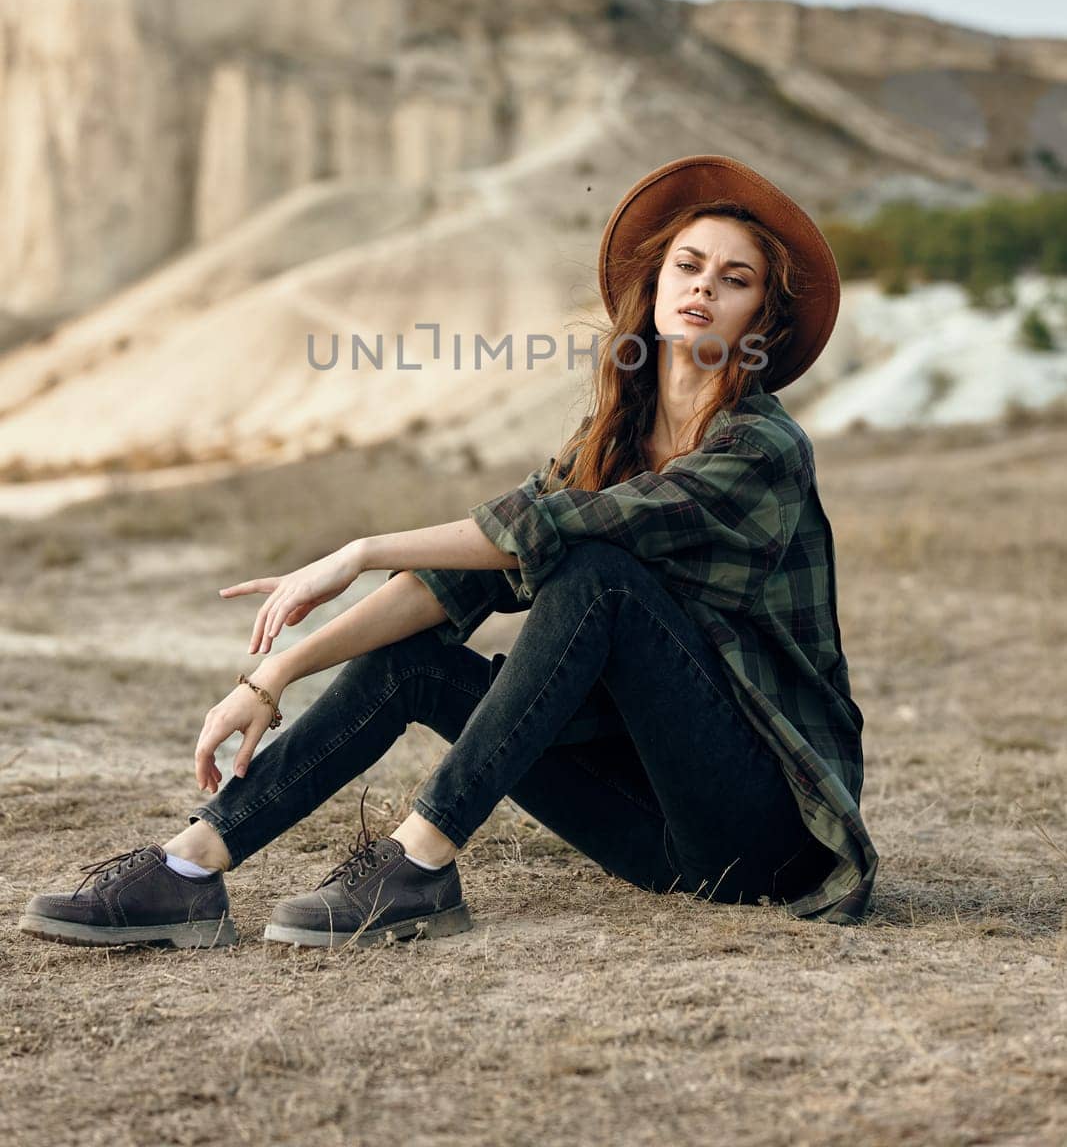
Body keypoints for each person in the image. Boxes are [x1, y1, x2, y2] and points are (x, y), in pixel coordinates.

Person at [19, 154, 879, 950]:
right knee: (419, 661)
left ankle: (418, 864)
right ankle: (188, 869)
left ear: (759, 316)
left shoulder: (759, 449)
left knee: (597, 576)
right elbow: (460, 580)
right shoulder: (608, 442)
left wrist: (356, 551)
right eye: (687, 266)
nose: (702, 289)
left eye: (734, 280)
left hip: (766, 840)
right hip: (655, 839)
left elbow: (544, 535)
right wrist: (271, 676)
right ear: (653, 282)